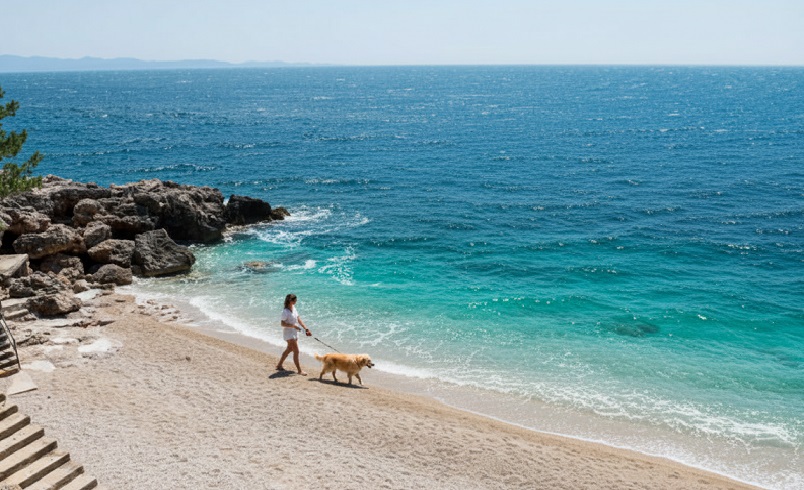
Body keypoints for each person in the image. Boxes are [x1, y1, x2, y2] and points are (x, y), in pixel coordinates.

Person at [276, 293, 311, 375]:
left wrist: (306, 329)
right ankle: (299, 370)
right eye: (295, 300)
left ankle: (279, 365)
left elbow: (298, 319)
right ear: (290, 301)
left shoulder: (294, 308)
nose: (296, 301)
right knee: (296, 351)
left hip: (295, 332)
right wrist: (293, 326)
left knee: (289, 349)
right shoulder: (285, 312)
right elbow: (282, 324)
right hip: (288, 333)